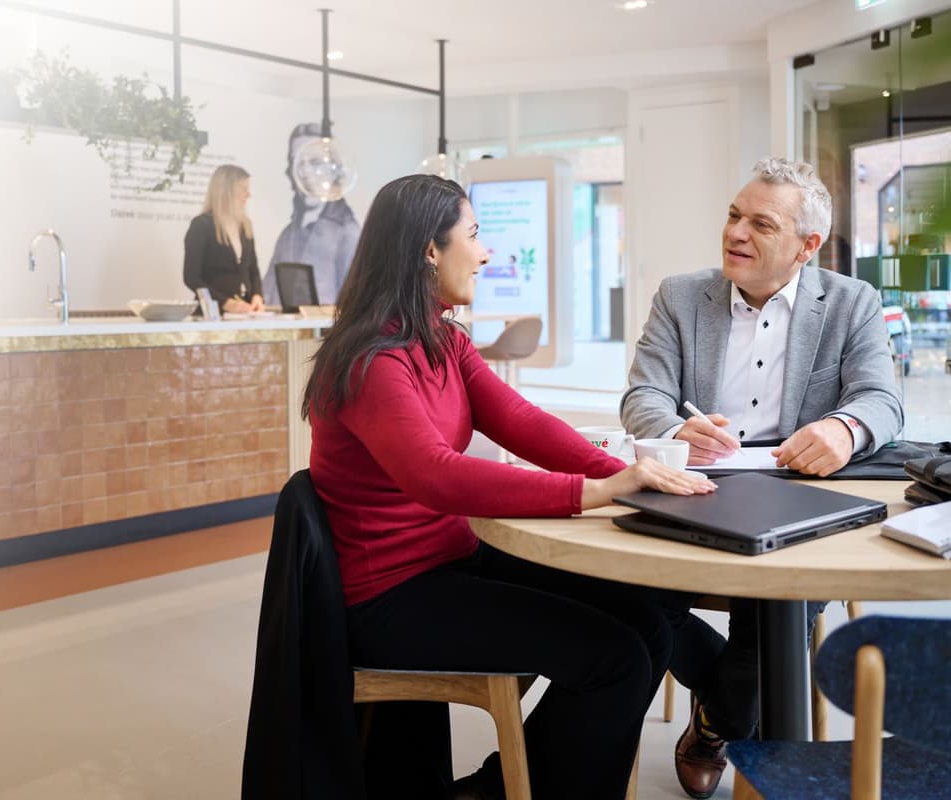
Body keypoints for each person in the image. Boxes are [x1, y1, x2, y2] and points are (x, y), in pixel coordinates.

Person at [305, 173, 717, 800]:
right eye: (473, 235)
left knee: (648, 626)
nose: (487, 251)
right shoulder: (373, 359)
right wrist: (598, 492)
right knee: (616, 658)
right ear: (428, 250)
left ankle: (505, 786)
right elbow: (435, 474)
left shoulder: (442, 338)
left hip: (448, 562)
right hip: (390, 595)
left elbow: (521, 420)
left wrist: (624, 474)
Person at [621, 157, 903, 799]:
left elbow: (882, 400)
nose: (735, 233)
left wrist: (844, 430)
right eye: (732, 215)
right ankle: (727, 704)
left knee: (780, 605)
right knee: (635, 596)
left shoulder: (852, 301)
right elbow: (644, 395)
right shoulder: (680, 294)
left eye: (760, 223)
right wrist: (671, 430)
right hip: (696, 488)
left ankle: (714, 727)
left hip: (796, 494)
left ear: (808, 246)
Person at [262, 122, 361, 306]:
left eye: (315, 162)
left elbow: (356, 301)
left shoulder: (347, 233)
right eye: (299, 163)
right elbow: (267, 295)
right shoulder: (287, 235)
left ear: (334, 169)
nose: (306, 173)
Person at [182, 164, 264, 314]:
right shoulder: (201, 225)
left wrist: (257, 295)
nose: (248, 194)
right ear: (226, 190)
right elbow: (191, 277)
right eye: (243, 188)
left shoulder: (245, 226)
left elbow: (253, 270)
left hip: (245, 312)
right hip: (211, 312)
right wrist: (225, 302)